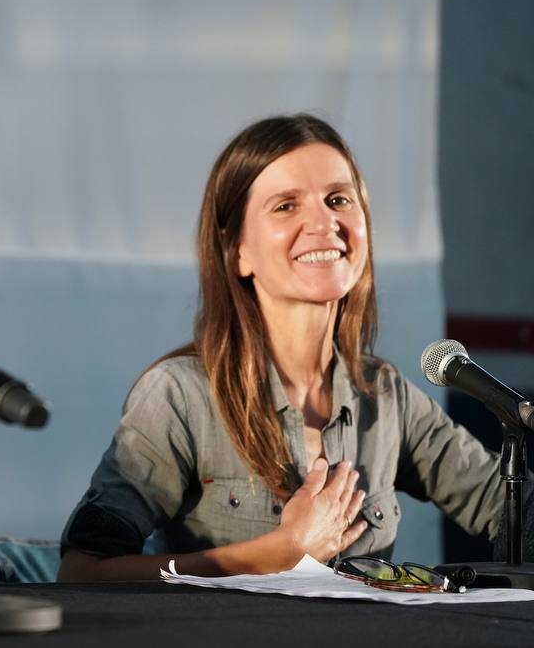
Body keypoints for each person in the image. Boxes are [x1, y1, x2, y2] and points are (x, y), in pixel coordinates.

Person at [60, 114, 523, 581]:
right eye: (285, 206)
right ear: (237, 250)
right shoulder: (178, 396)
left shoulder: (386, 396)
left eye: (339, 200)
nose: (324, 223)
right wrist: (277, 553)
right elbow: (82, 573)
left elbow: (513, 512)